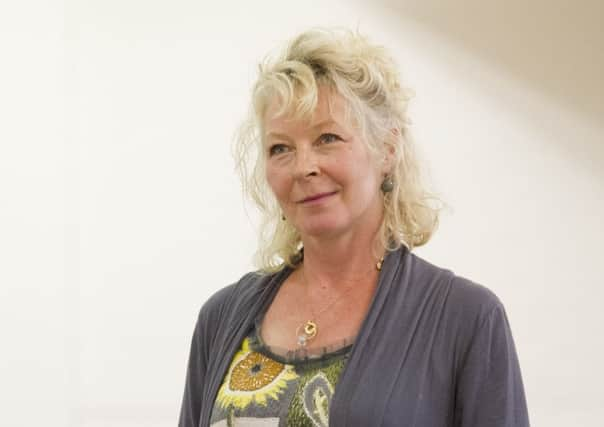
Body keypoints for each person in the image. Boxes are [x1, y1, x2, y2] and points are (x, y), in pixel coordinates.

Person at [178, 28, 529, 427]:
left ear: (387, 149)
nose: (303, 166)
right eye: (281, 148)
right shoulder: (220, 318)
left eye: (327, 138)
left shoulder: (466, 319)